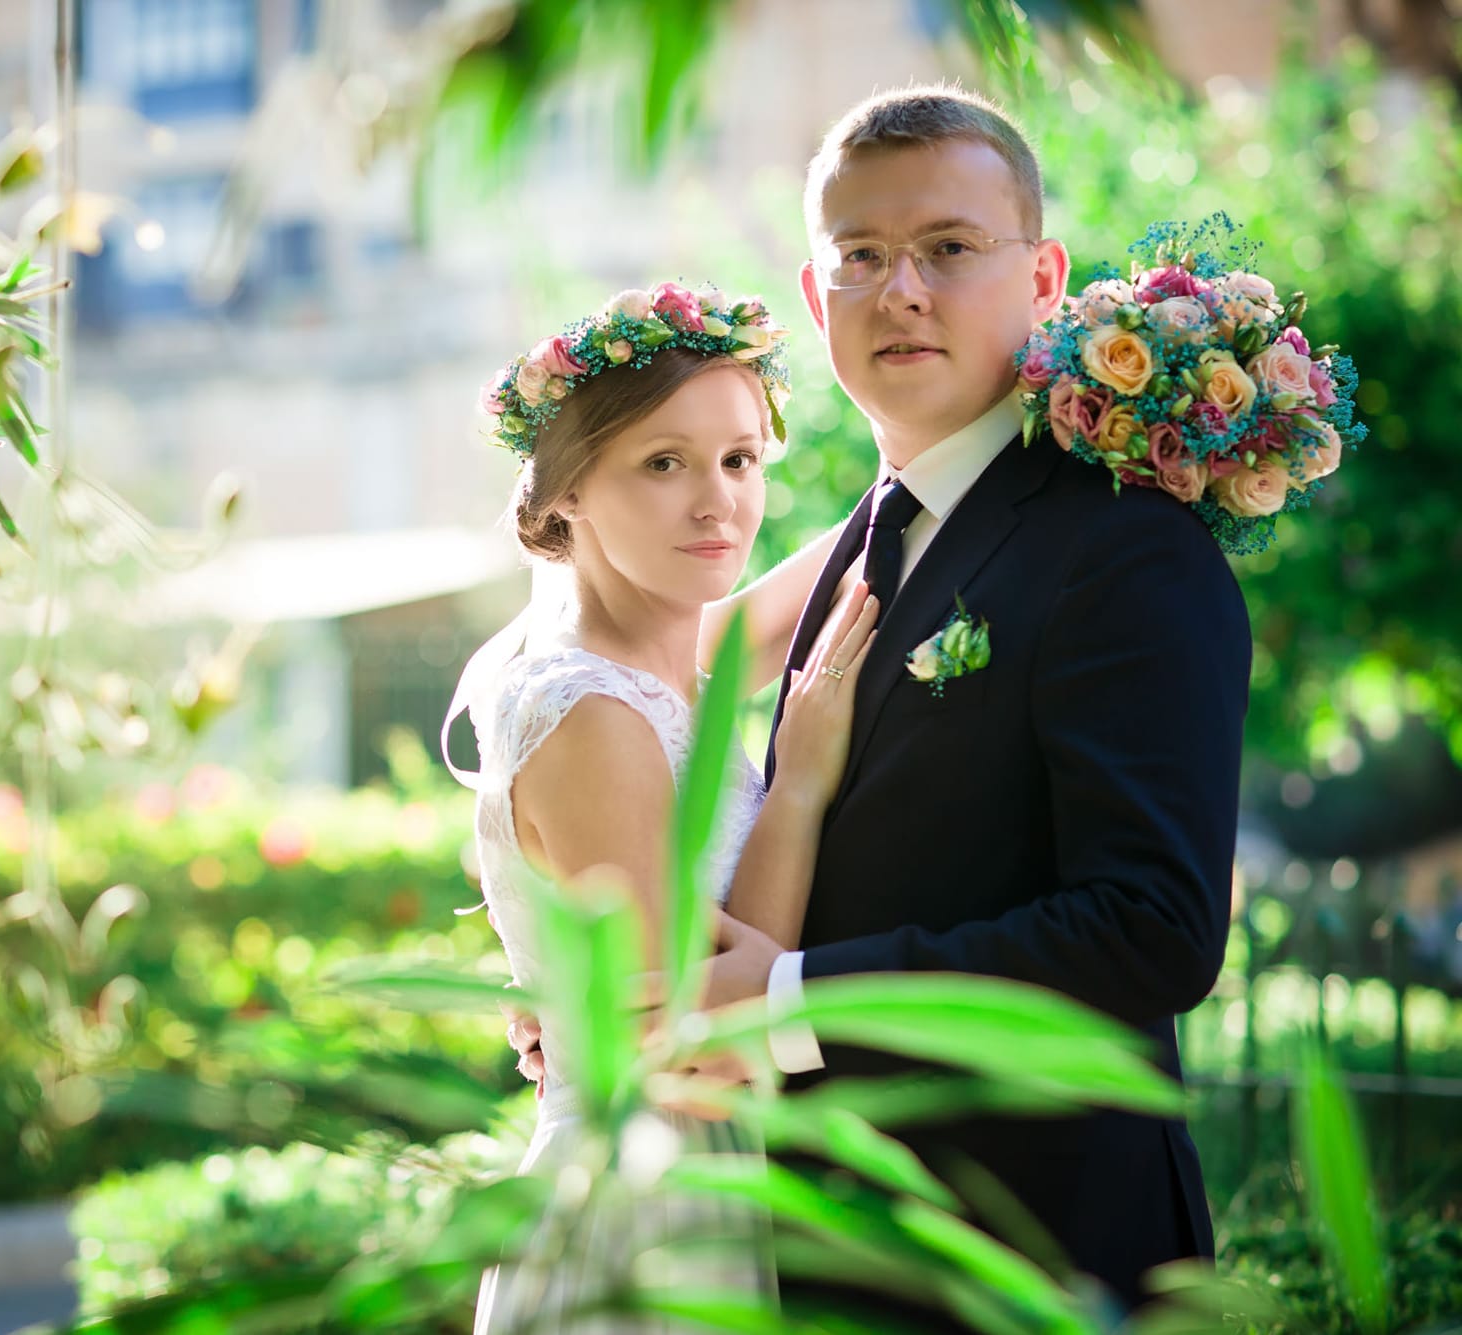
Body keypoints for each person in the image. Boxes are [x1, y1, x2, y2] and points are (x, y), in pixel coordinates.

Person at [511, 87, 1252, 1324]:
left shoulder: (1120, 548)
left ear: (1042, 277)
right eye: (860, 257)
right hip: (810, 1246)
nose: (900, 290)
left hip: (1028, 1246)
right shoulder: (864, 537)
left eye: (949, 250)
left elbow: (1150, 929)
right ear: (816, 298)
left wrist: (790, 997)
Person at [452, 284, 881, 1333]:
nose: (717, 502)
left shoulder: (669, 658)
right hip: (643, 1212)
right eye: (662, 463)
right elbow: (695, 1028)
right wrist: (800, 781)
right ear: (567, 496)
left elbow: (868, 546)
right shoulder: (587, 708)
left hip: (705, 1183)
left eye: (740, 460)